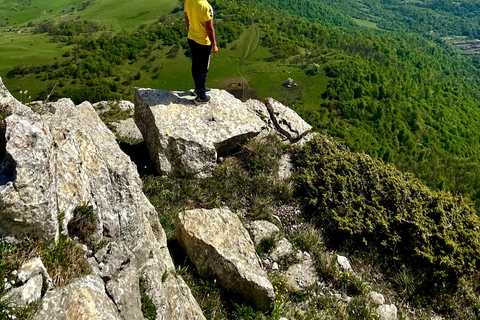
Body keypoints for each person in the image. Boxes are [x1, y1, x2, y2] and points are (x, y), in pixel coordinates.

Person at [184, 0, 218, 105]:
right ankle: (201, 97)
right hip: (203, 42)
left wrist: (193, 32)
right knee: (203, 68)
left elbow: (187, 21)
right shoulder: (205, 6)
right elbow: (209, 29)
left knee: (195, 65)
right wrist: (214, 45)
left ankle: (198, 89)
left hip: (192, 38)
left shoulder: (188, 2)